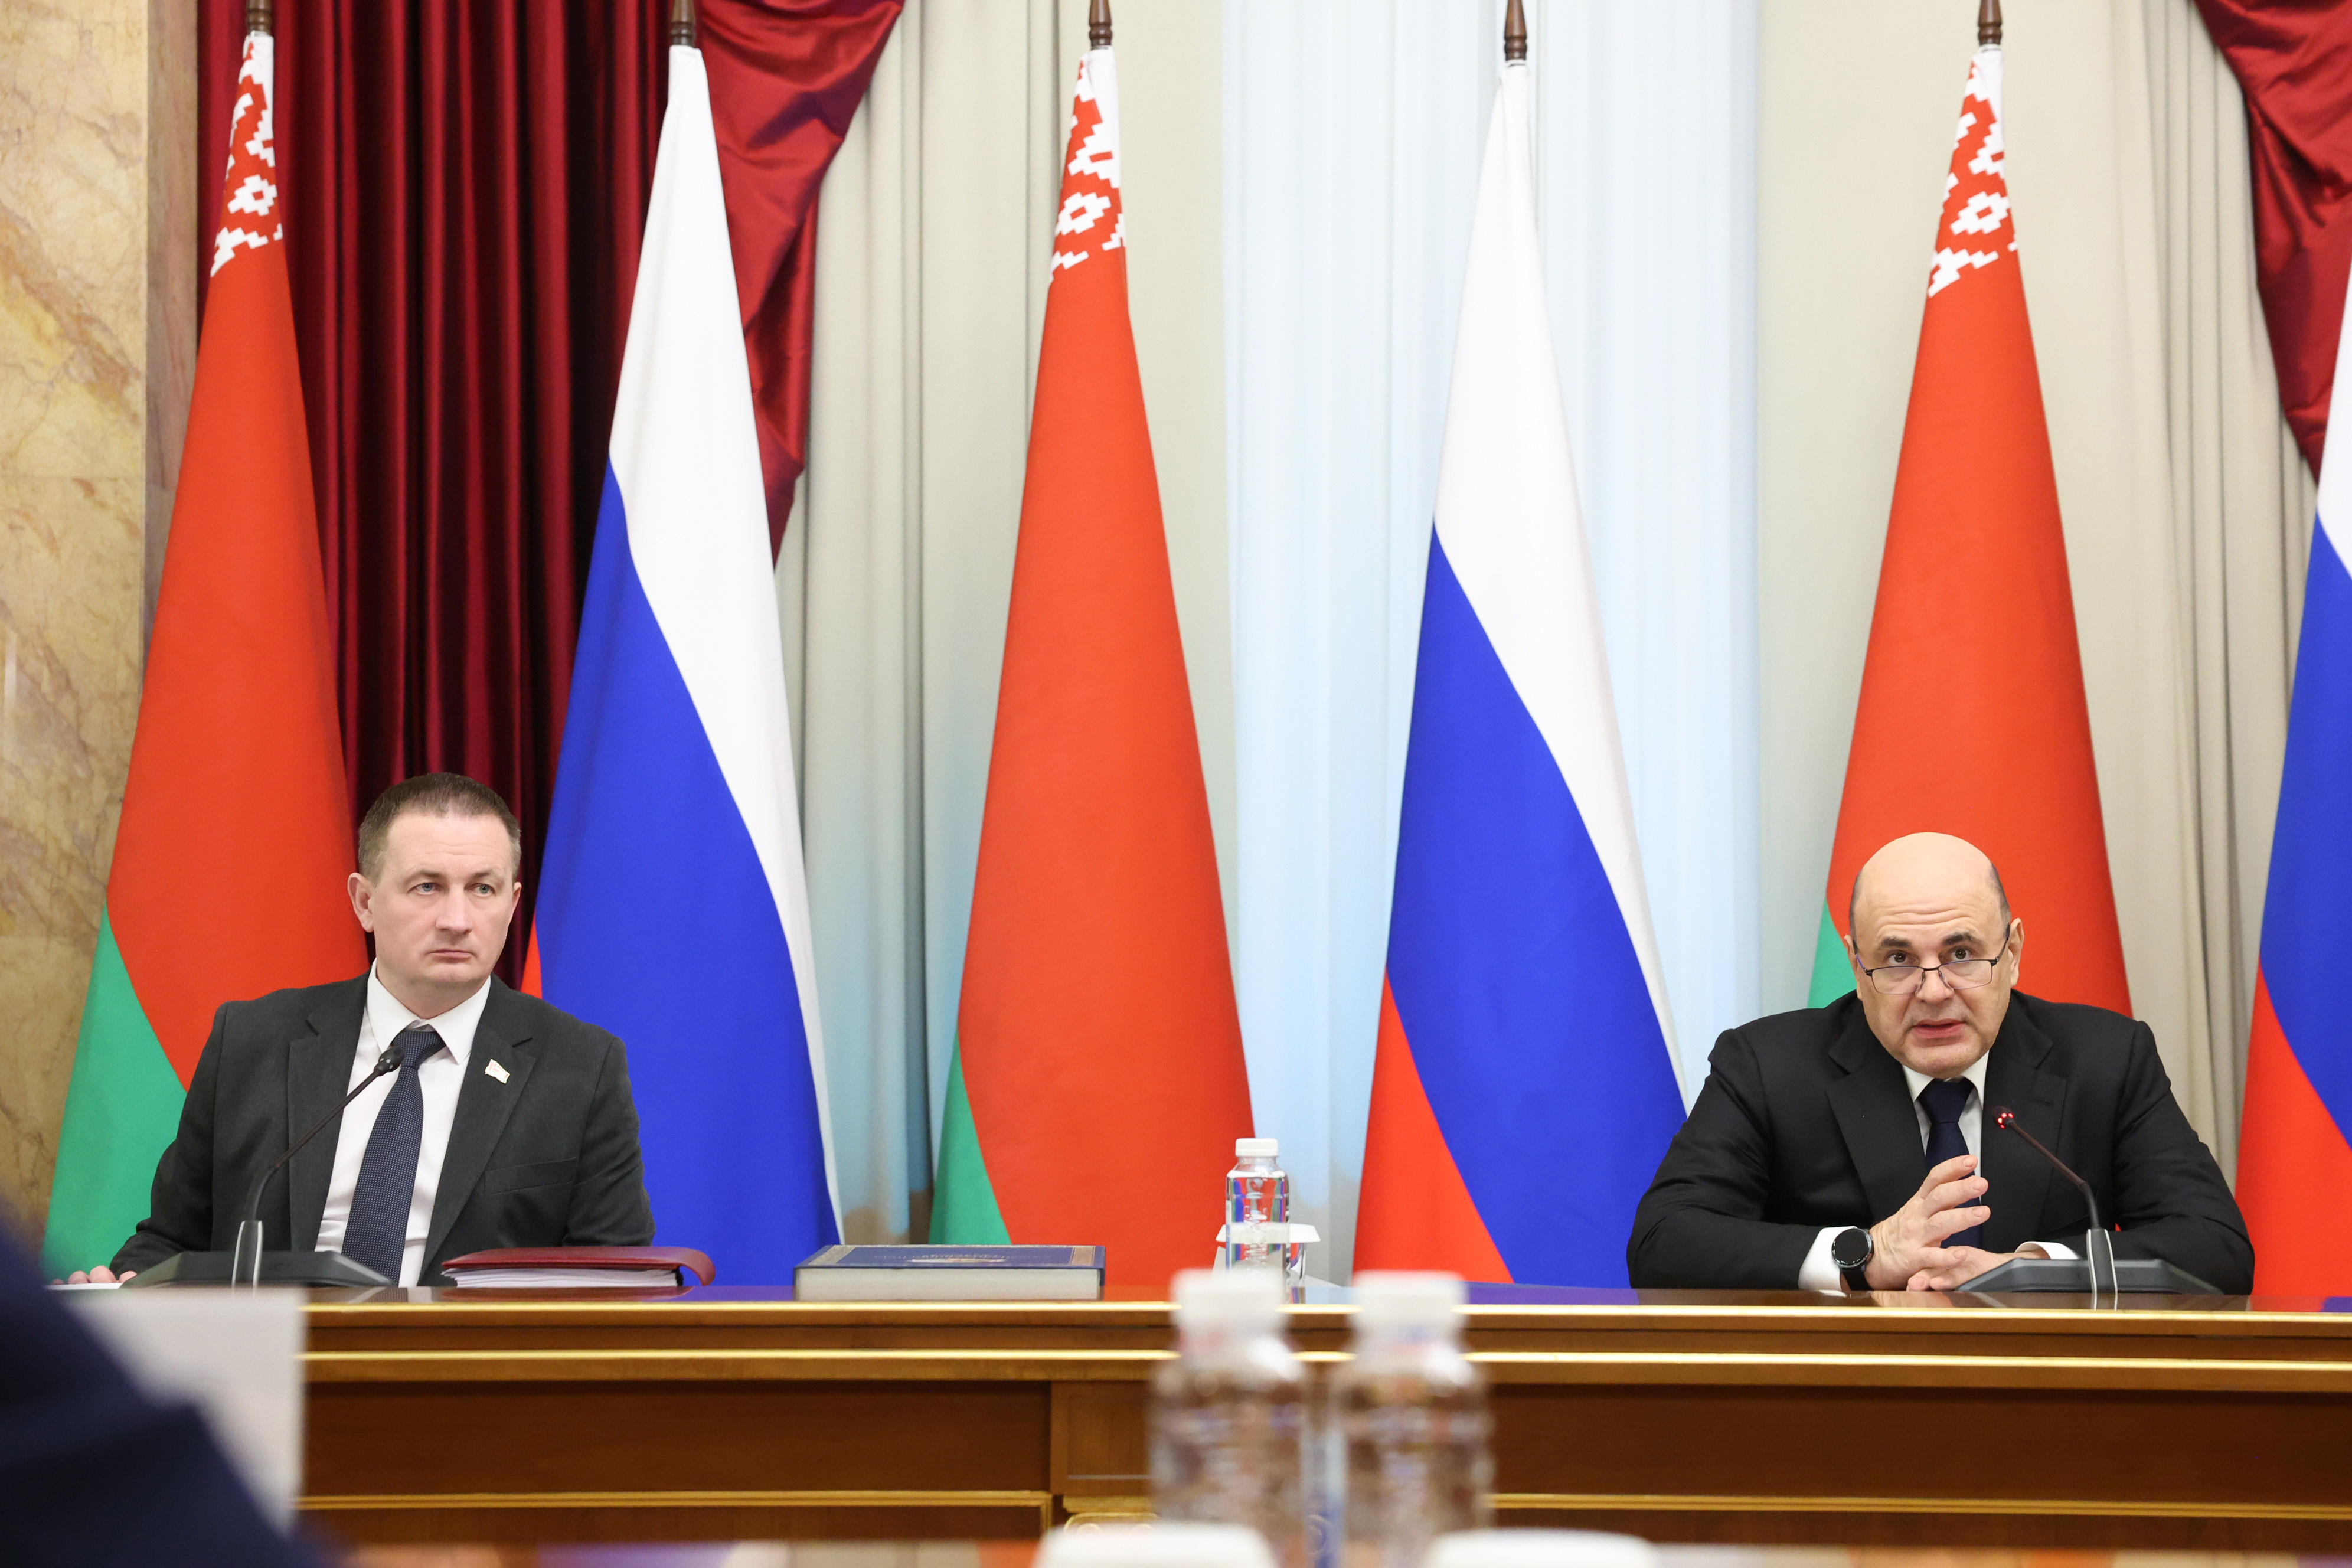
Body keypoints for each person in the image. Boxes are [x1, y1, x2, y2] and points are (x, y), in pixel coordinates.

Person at [66, 773, 654, 1288]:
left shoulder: (580, 1067)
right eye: (427, 886)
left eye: (483, 888)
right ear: (365, 901)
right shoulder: (251, 1042)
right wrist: (125, 1285)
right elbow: (172, 1239)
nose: (457, 920)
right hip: (274, 1360)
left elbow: (614, 1279)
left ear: (512, 902)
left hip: (472, 1371)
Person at [1627, 831, 2251, 1293]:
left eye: (1961, 954)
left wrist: (2033, 1270)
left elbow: (2216, 1247)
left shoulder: (2106, 1059)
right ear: (1857, 966)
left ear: (2012, 953)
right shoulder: (1768, 1066)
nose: (1932, 991)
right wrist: (1866, 1255)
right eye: (1898, 960)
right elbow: (1665, 1241)